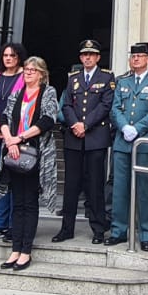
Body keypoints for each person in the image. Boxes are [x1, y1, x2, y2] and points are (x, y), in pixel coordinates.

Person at [0, 55, 58, 270]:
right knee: (17, 202)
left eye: (33, 70)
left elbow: (48, 120)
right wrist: (9, 139)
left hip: (34, 154)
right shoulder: (16, 93)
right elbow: (3, 117)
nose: (28, 72)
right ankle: (15, 249)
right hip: (14, 153)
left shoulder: (48, 92)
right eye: (26, 69)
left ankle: (25, 252)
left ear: (41, 74)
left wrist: (19, 138)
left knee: (29, 203)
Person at [53, 39, 114, 244]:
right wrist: (74, 124)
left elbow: (105, 106)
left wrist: (85, 124)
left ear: (97, 57)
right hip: (73, 138)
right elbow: (67, 104)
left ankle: (98, 229)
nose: (87, 58)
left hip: (95, 138)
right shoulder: (73, 78)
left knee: (95, 186)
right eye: (84, 55)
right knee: (71, 186)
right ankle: (66, 228)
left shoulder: (106, 77)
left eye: (91, 54)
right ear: (80, 57)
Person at [109, 41, 148, 251]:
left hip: (144, 143)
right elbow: (115, 109)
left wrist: (137, 129)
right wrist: (124, 127)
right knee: (120, 189)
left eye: (140, 56)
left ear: (147, 59)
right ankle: (118, 231)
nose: (136, 59)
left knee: (144, 191)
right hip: (123, 142)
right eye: (133, 56)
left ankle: (146, 235)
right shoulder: (122, 82)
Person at [0, 43, 27, 242]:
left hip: (16, 139)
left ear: (19, 58)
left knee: (15, 183)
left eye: (12, 55)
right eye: (5, 55)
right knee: (0, 182)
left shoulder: (24, 76)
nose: (8, 58)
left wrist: (12, 135)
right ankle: (0, 224)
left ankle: (13, 225)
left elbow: (24, 108)